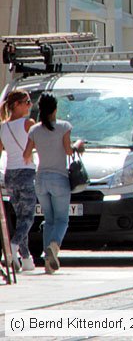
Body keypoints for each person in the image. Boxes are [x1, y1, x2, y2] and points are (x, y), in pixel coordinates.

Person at [22, 93, 84, 274]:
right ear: (55, 109)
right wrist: (78, 145)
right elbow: (68, 151)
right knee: (62, 220)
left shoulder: (34, 130)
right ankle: (54, 246)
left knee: (48, 220)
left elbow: (26, 155)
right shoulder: (64, 127)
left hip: (41, 180)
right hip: (59, 179)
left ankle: (48, 264)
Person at [1, 91, 37, 272]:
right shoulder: (28, 123)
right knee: (28, 217)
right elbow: (38, 143)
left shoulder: (2, 127)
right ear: (16, 105)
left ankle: (26, 259)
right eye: (27, 102)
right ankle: (13, 247)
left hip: (10, 174)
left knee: (20, 217)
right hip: (26, 172)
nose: (30, 105)